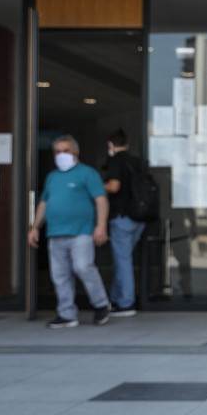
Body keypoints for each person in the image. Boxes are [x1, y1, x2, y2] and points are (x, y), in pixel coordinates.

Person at [27, 134, 111, 329]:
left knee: (83, 267)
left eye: (65, 151)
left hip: (81, 232)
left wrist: (101, 226)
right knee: (59, 275)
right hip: (55, 233)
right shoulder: (52, 177)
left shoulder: (87, 174)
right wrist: (34, 227)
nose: (61, 155)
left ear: (75, 152)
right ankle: (67, 314)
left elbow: (101, 200)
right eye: (57, 152)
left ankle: (100, 304)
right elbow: (44, 203)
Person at [102, 129, 146, 317]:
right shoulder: (138, 162)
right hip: (140, 217)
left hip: (122, 217)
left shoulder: (115, 161)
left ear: (110, 145)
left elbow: (114, 186)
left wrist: (96, 186)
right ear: (127, 144)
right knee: (124, 258)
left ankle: (126, 303)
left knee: (122, 261)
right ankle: (115, 298)